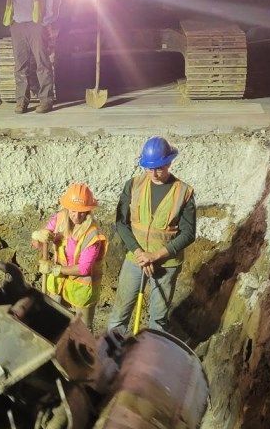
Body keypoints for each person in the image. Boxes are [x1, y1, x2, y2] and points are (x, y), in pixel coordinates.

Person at [106, 137, 196, 334]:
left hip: (166, 265)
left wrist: (155, 256)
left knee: (158, 320)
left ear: (170, 163)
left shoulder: (184, 192)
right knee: (119, 315)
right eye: (149, 168)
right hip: (135, 259)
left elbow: (189, 233)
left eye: (160, 168)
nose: (154, 173)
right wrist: (139, 253)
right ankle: (111, 358)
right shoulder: (133, 185)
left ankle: (150, 360)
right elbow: (121, 223)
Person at [32, 183, 107, 325]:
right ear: (67, 208)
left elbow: (84, 268)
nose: (77, 216)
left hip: (81, 289)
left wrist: (54, 269)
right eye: (73, 211)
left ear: (88, 211)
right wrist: (40, 236)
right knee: (54, 323)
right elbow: (38, 244)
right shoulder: (59, 218)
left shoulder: (92, 235)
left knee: (83, 330)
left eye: (82, 212)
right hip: (59, 283)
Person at [2, 0, 61, 114]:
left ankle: (46, 100)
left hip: (37, 25)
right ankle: (22, 101)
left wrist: (46, 22)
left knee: (42, 63)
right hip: (18, 25)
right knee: (20, 66)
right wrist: (11, 20)